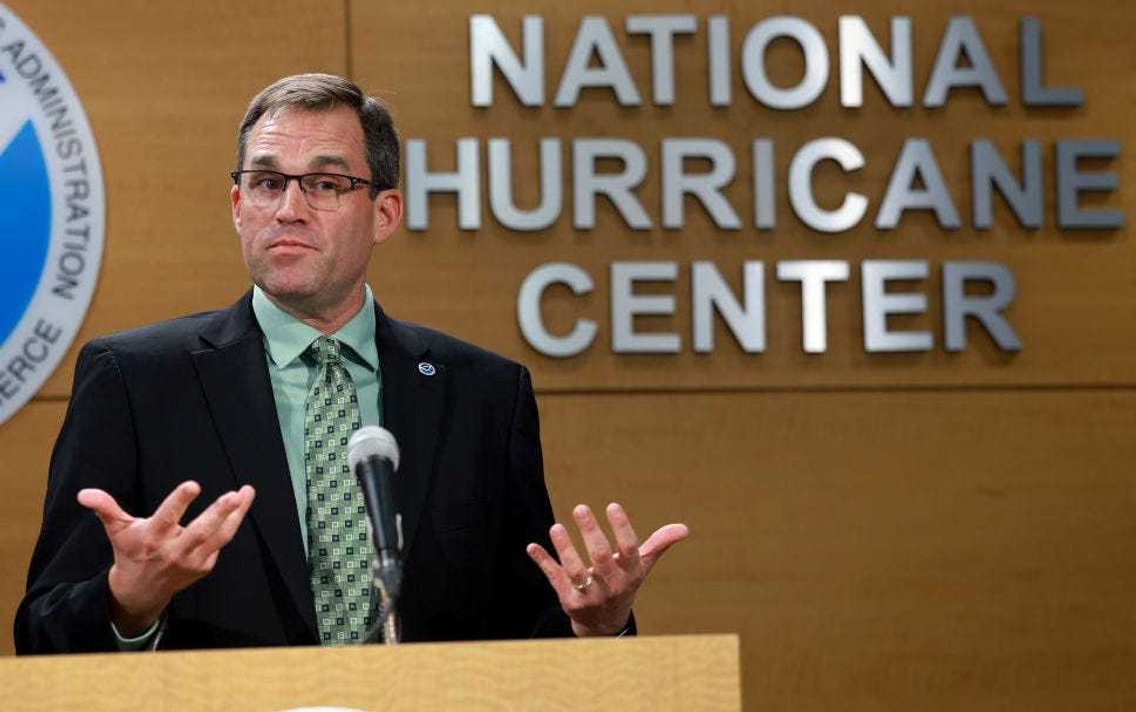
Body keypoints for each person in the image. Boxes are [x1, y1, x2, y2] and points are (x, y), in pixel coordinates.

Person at [14, 73, 688, 653]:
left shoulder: (483, 394)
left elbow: (522, 629)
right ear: (237, 204)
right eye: (267, 181)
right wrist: (127, 601)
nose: (289, 209)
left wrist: (598, 626)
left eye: (327, 184)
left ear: (385, 212)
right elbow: (40, 633)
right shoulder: (136, 381)